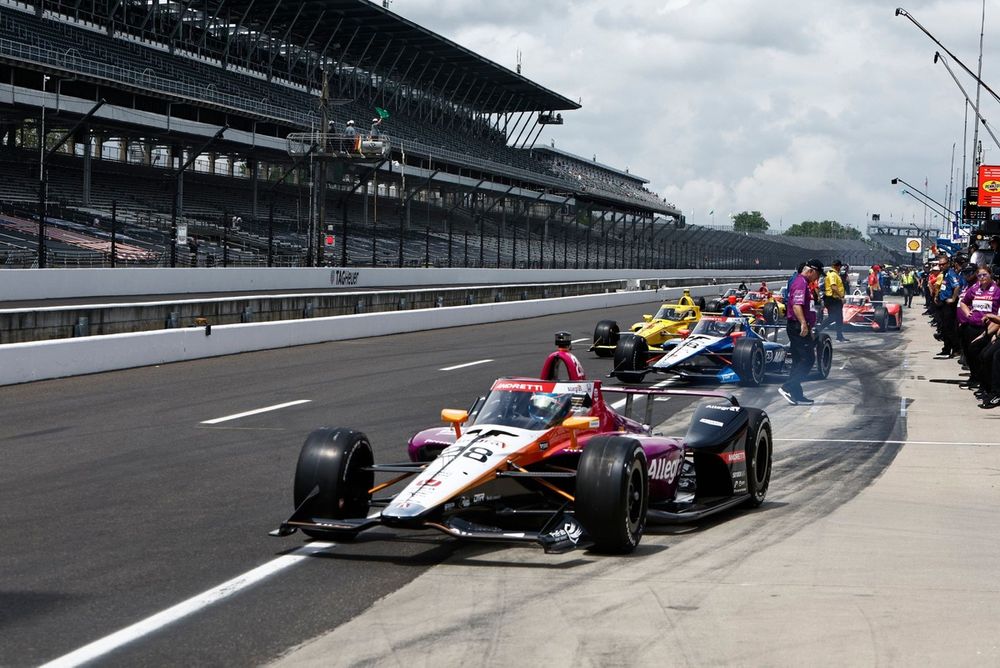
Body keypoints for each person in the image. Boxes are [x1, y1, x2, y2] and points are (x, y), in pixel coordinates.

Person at [779, 258, 823, 405]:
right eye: (817, 275)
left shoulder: (804, 283)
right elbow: (797, 306)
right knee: (808, 359)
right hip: (797, 326)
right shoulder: (800, 283)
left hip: (801, 326)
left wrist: (809, 326)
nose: (817, 278)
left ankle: (796, 394)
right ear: (811, 271)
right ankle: (787, 387)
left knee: (798, 360)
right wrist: (804, 323)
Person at [934, 254, 962, 358]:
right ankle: (946, 349)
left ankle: (956, 349)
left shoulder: (951, 274)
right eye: (939, 265)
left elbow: (957, 286)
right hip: (942, 302)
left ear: (948, 264)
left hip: (949, 304)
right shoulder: (944, 274)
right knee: (944, 328)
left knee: (949, 328)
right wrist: (937, 296)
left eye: (943, 264)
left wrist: (953, 299)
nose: (941, 266)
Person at [819, 259, 848, 342]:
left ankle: (840, 336)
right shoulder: (832, 274)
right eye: (840, 266)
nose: (840, 268)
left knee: (839, 318)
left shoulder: (835, 274)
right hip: (832, 299)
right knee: (833, 317)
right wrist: (841, 296)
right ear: (837, 266)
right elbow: (834, 287)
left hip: (835, 299)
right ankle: (817, 330)